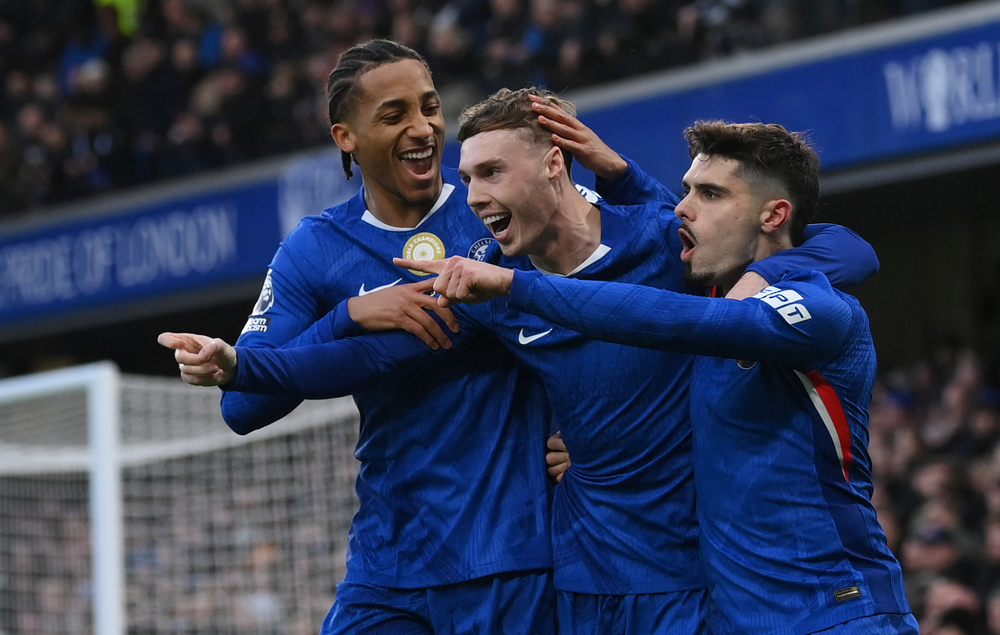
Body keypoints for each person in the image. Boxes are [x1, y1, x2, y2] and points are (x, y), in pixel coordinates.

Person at [168, 87, 881, 633]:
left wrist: (763, 273)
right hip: (578, 584)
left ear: (553, 163)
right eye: (468, 177)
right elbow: (369, 359)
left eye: (491, 173)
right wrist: (245, 367)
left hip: (688, 582)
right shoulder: (489, 283)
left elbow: (836, 245)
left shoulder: (666, 246)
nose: (474, 197)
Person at [406, 120, 918, 634]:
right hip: (737, 619)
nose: (681, 207)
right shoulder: (709, 290)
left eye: (710, 194)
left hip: (840, 610)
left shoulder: (819, 310)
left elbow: (674, 319)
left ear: (773, 215)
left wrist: (517, 286)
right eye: (687, 189)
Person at [160, 40, 561, 635]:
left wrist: (589, 432)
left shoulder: (495, 210)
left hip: (507, 556)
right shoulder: (316, 248)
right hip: (387, 565)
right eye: (394, 115)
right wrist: (348, 314)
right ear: (345, 137)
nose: (422, 128)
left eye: (430, 107)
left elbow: (595, 312)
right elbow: (242, 406)